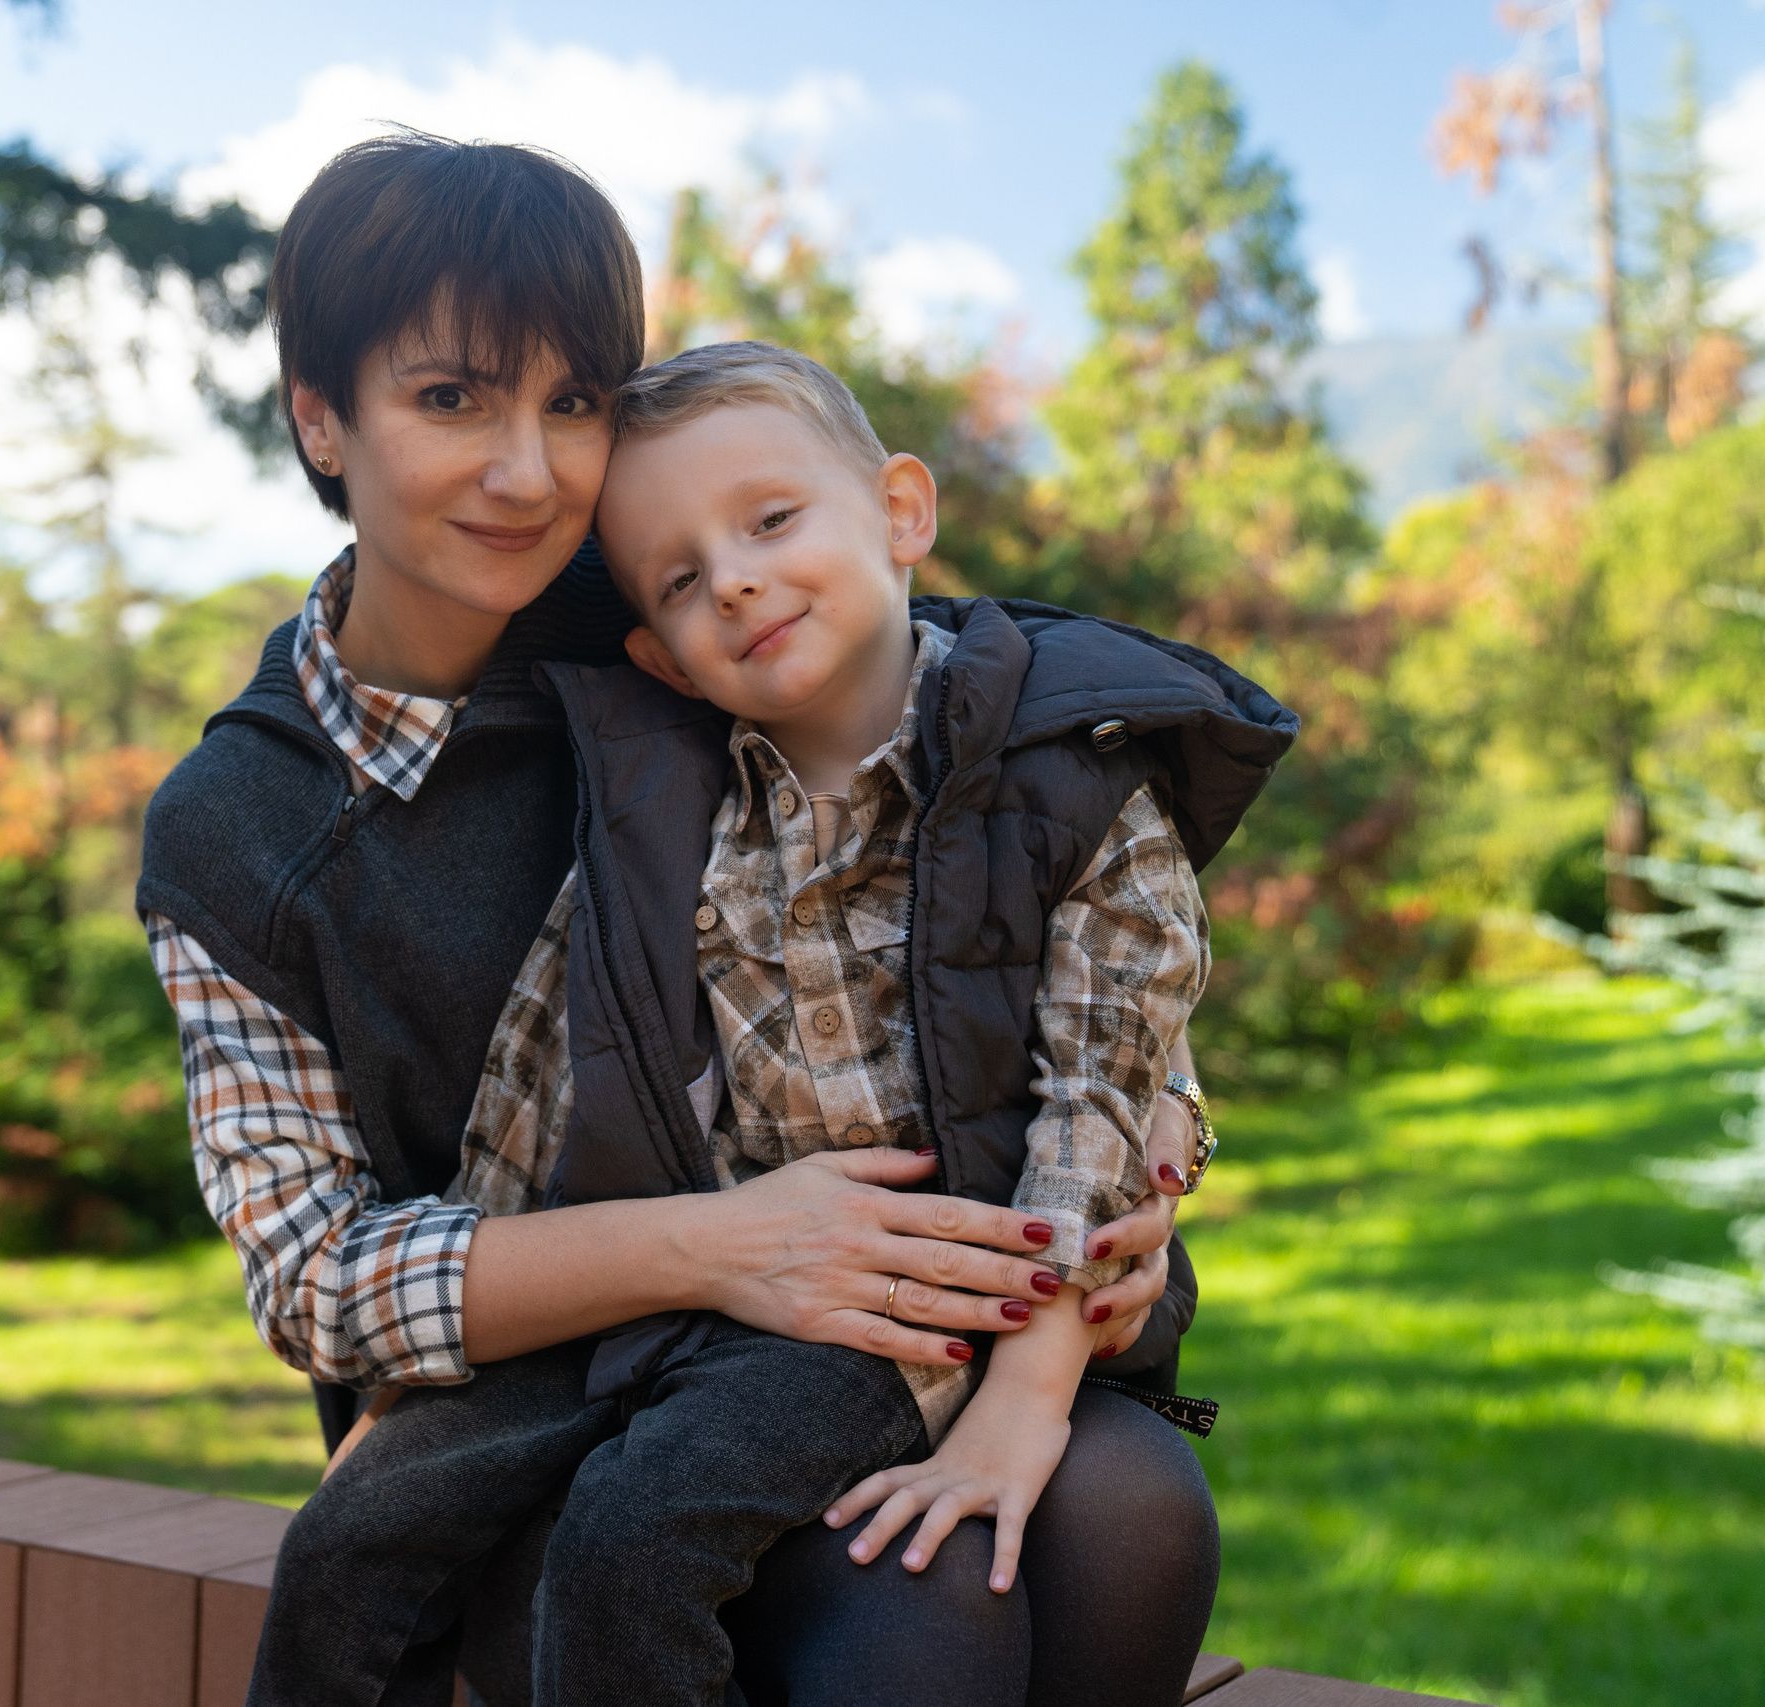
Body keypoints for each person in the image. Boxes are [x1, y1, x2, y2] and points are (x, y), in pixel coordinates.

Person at [139, 132, 1245, 1707]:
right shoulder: (243, 832)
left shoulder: (696, 609)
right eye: (452, 399)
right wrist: (721, 1248)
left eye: (573, 401)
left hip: (893, 1320)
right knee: (916, 1627)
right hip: (526, 1411)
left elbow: (1033, 907)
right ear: (323, 418)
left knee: (1131, 1521)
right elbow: (313, 1277)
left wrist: (1140, 1196)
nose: (530, 472)